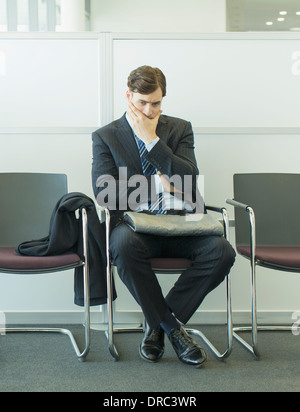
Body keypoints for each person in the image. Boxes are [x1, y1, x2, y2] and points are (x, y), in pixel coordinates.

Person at [92, 65, 235, 367]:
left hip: (182, 224)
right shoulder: (106, 136)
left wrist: (152, 142)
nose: (149, 109)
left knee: (221, 252)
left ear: (162, 99)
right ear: (128, 96)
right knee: (122, 245)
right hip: (136, 229)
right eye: (142, 102)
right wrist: (160, 182)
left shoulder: (179, 128)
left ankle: (156, 325)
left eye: (155, 103)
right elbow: (105, 194)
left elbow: (189, 178)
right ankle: (173, 330)